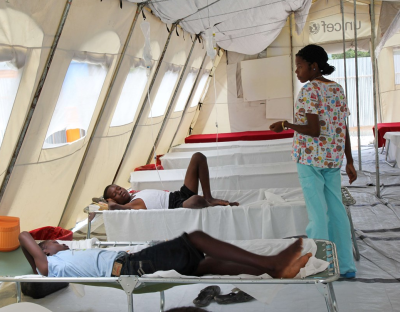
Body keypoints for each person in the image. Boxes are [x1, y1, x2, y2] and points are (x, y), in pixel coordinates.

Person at [269, 44, 357, 278]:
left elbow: (313, 129)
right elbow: (343, 127)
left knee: (317, 215)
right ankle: (346, 267)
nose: (296, 71)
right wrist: (349, 160)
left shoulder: (310, 91)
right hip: (332, 159)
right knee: (337, 211)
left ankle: (321, 266)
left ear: (313, 66)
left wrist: (286, 124)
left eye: (299, 66)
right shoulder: (337, 89)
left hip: (310, 159)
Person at [19, 231, 311, 279]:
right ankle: (271, 264)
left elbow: (33, 249)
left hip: (131, 262)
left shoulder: (57, 260)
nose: (63, 244)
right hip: (130, 267)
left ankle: (269, 271)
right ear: (44, 250)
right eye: (55, 243)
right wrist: (23, 237)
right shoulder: (52, 265)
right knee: (195, 240)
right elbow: (24, 238)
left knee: (205, 264)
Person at [103, 152, 239, 210]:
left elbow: (99, 199)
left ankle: (209, 198)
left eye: (119, 188)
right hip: (176, 205)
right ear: (112, 199)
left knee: (198, 157)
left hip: (177, 195)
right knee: (196, 200)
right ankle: (210, 205)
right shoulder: (131, 206)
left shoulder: (133, 193)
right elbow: (114, 207)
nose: (120, 192)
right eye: (115, 194)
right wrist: (109, 201)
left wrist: (106, 199)